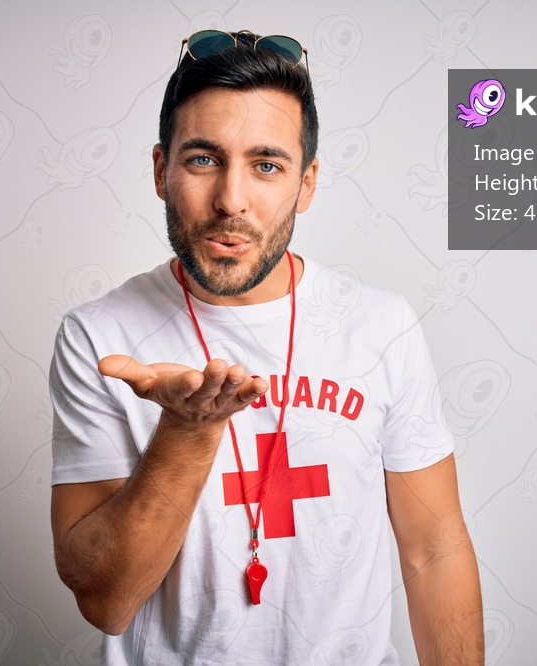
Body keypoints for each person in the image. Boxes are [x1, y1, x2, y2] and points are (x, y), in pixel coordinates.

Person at [49, 29, 484, 665]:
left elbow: (434, 548)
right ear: (159, 170)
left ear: (306, 184)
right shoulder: (100, 336)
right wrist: (186, 431)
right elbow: (107, 601)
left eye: (267, 165)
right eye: (202, 159)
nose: (231, 199)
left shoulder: (381, 327)